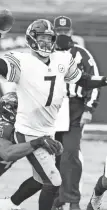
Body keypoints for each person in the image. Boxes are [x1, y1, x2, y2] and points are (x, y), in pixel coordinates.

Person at [0, 11, 107, 210]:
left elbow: (83, 79)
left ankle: (8, 204)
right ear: (31, 39)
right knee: (53, 181)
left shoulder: (62, 58)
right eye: (41, 38)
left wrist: (104, 80)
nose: (46, 43)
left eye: (49, 39)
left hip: (48, 129)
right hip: (29, 132)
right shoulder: (22, 61)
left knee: (41, 179)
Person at [0, 92, 60, 210]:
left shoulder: (23, 129)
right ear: (9, 110)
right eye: (20, 108)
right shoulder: (4, 128)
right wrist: (37, 142)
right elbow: (7, 154)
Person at [52, 16, 101, 210]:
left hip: (74, 107)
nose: (62, 34)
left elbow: (94, 81)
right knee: (52, 155)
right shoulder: (45, 53)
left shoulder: (81, 54)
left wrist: (89, 108)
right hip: (52, 108)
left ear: (71, 32)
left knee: (70, 153)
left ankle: (71, 200)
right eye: (59, 31)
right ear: (54, 31)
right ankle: (56, 198)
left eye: (65, 31)